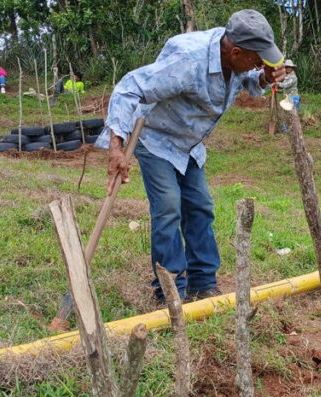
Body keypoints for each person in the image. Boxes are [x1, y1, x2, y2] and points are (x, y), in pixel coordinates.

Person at [97, 9, 285, 304]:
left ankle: (203, 283)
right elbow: (129, 88)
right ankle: (171, 290)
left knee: (200, 207)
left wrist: (263, 77)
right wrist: (116, 147)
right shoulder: (188, 60)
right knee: (169, 207)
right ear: (236, 52)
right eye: (256, 60)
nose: (259, 64)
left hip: (188, 143)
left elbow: (246, 80)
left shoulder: (234, 58)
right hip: (154, 137)